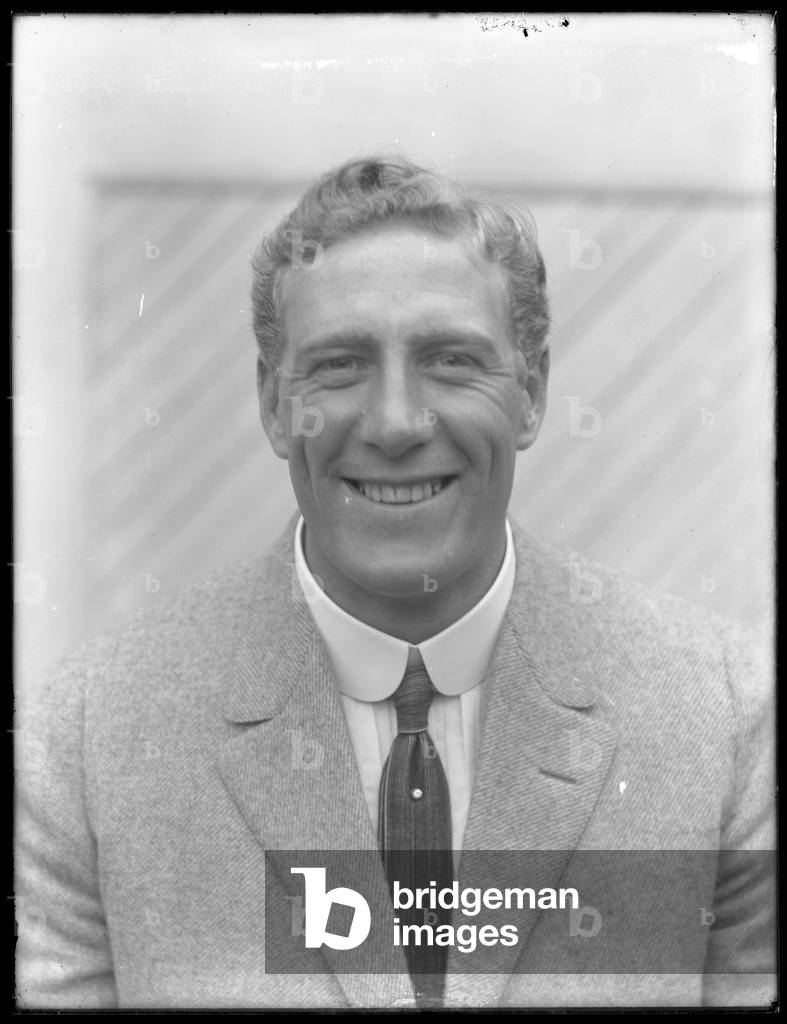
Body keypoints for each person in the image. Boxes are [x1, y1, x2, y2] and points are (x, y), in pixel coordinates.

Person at [15, 156, 775, 1009]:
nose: (394, 423)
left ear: (530, 391)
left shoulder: (724, 720)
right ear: (272, 403)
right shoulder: (84, 743)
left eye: (451, 359)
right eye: (338, 365)